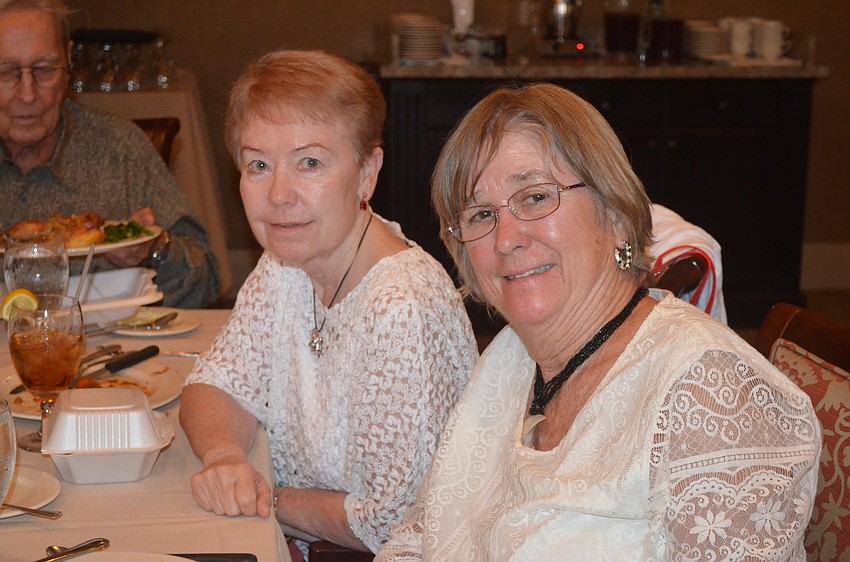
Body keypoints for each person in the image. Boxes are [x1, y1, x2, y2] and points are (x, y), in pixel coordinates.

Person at [376, 83, 821, 561]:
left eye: (535, 197)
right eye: (482, 214)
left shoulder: (714, 396)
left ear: (616, 215)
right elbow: (420, 535)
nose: (506, 239)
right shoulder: (508, 358)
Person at [179, 49, 477, 559]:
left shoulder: (401, 308)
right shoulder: (285, 265)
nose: (280, 194)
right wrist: (225, 457)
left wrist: (268, 496)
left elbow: (392, 524)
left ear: (367, 173)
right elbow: (215, 382)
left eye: (310, 163)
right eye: (258, 166)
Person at [0, 0, 219, 308]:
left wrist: (154, 249)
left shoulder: (120, 149)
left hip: (110, 349)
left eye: (44, 70)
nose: (27, 94)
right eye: (6, 72)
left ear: (68, 65)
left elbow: (206, 281)